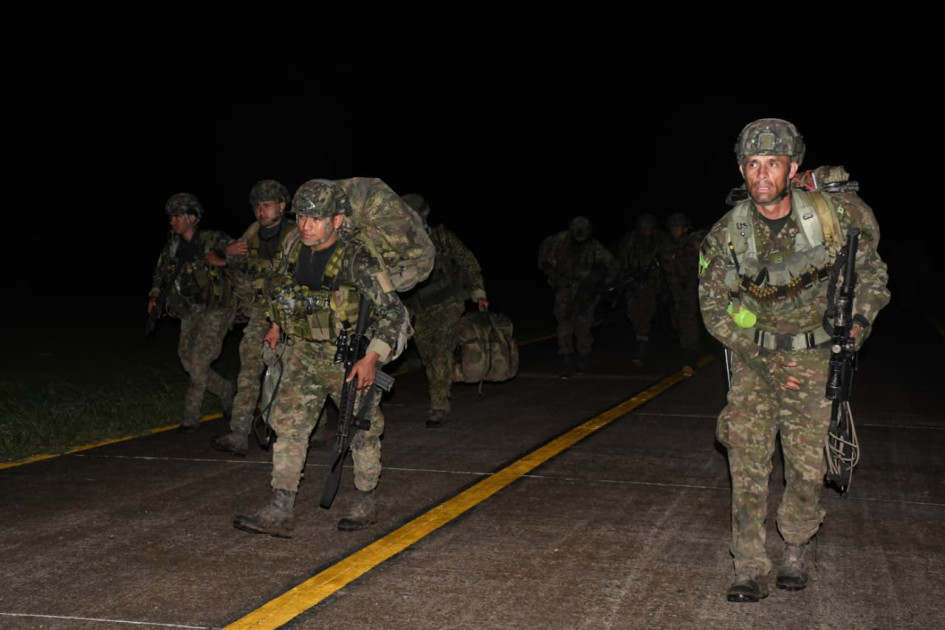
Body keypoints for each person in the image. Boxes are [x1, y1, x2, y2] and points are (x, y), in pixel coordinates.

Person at [698, 118, 890, 602]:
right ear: (742, 169)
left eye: (773, 164)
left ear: (793, 166)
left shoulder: (832, 220)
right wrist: (753, 348)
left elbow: (871, 275)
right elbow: (713, 308)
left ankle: (796, 548)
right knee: (746, 462)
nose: (762, 174)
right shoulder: (726, 233)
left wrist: (858, 326)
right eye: (753, 164)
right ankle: (748, 563)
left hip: (815, 361)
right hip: (754, 363)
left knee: (805, 468)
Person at [233, 179, 412, 537]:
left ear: (337, 221)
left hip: (345, 357)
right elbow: (281, 287)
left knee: (360, 429)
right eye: (301, 217)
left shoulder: (358, 258)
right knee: (289, 426)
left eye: (316, 219)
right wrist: (275, 324)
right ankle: (281, 507)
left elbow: (395, 314)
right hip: (301, 352)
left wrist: (372, 358)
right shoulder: (292, 246)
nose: (305, 226)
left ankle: (365, 498)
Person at [210, 179, 294, 457]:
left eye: (267, 205)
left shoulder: (296, 235)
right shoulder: (249, 239)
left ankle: (311, 430)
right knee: (249, 369)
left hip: (296, 312)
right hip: (262, 314)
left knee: (298, 372)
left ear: (282, 206)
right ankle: (239, 433)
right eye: (257, 206)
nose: (261, 211)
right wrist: (227, 252)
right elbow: (217, 262)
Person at [148, 193, 237, 433]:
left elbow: (244, 258)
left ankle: (191, 417)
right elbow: (161, 274)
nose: (172, 221)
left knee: (199, 361)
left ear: (192, 217)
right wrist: (155, 296)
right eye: (171, 217)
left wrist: (221, 259)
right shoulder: (173, 246)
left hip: (218, 308)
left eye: (176, 216)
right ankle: (226, 389)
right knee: (186, 359)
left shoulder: (214, 239)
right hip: (191, 310)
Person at [400, 193, 489, 429]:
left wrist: (478, 292)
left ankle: (439, 404)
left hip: (448, 302)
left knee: (439, 351)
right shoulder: (398, 243)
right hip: (420, 307)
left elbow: (467, 261)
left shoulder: (441, 237)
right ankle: (447, 376)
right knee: (427, 354)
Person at [538, 216, 618, 377]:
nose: (580, 234)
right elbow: (543, 256)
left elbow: (613, 265)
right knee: (564, 323)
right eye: (576, 231)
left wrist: (603, 282)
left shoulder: (594, 246)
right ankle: (567, 360)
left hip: (585, 290)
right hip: (564, 289)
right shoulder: (559, 240)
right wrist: (549, 269)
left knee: (582, 324)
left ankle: (584, 356)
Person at [615, 214, 668, 367]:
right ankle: (641, 340)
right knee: (634, 314)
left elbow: (666, 261)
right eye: (643, 229)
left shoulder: (659, 241)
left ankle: (642, 348)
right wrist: (626, 277)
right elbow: (622, 259)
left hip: (651, 286)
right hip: (634, 284)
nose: (646, 232)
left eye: (649, 229)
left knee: (646, 314)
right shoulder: (631, 241)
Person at [659, 212, 704, 376]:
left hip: (694, 290)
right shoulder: (668, 247)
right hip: (677, 292)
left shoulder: (693, 244)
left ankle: (691, 359)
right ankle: (689, 354)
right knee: (677, 323)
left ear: (685, 228)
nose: (675, 231)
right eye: (673, 228)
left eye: (678, 228)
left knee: (690, 324)